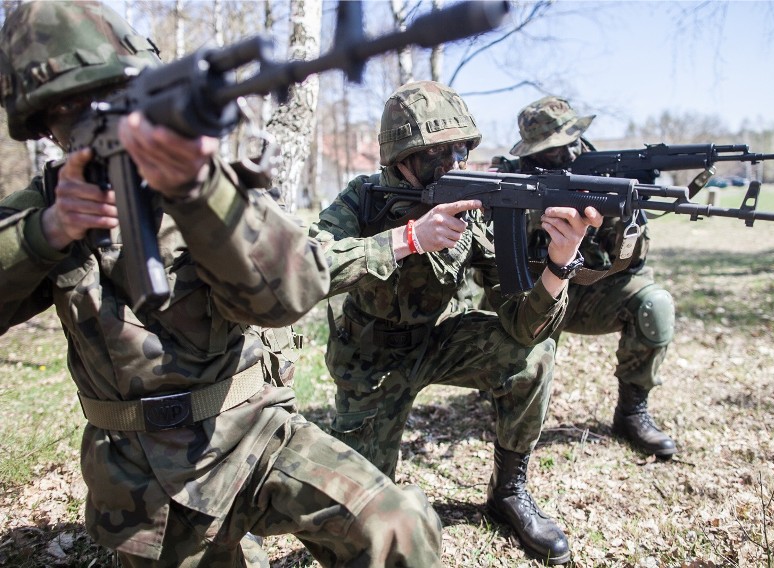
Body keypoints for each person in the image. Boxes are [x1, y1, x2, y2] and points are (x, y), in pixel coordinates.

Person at [0, 3, 442, 566]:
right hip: (141, 481)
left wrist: (199, 190)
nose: (97, 118)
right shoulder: (44, 208)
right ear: (42, 125)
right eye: (70, 108)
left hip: (252, 433)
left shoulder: (208, 182)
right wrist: (48, 231)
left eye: (113, 95)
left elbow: (290, 292)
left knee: (399, 526)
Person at [308, 80, 602, 566]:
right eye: (435, 155)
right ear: (399, 159)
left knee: (533, 355)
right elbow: (308, 266)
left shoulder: (475, 205)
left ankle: (508, 491)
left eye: (462, 149)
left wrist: (558, 264)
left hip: (434, 342)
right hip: (370, 360)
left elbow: (521, 323)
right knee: (361, 522)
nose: (454, 165)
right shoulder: (363, 199)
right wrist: (407, 238)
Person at [487, 96, 678, 459]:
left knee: (654, 304)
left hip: (589, 294)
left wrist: (615, 217)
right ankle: (502, 394)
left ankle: (631, 413)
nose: (559, 155)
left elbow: (634, 262)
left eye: (564, 145)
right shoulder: (511, 174)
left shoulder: (607, 175)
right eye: (548, 149)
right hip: (533, 295)